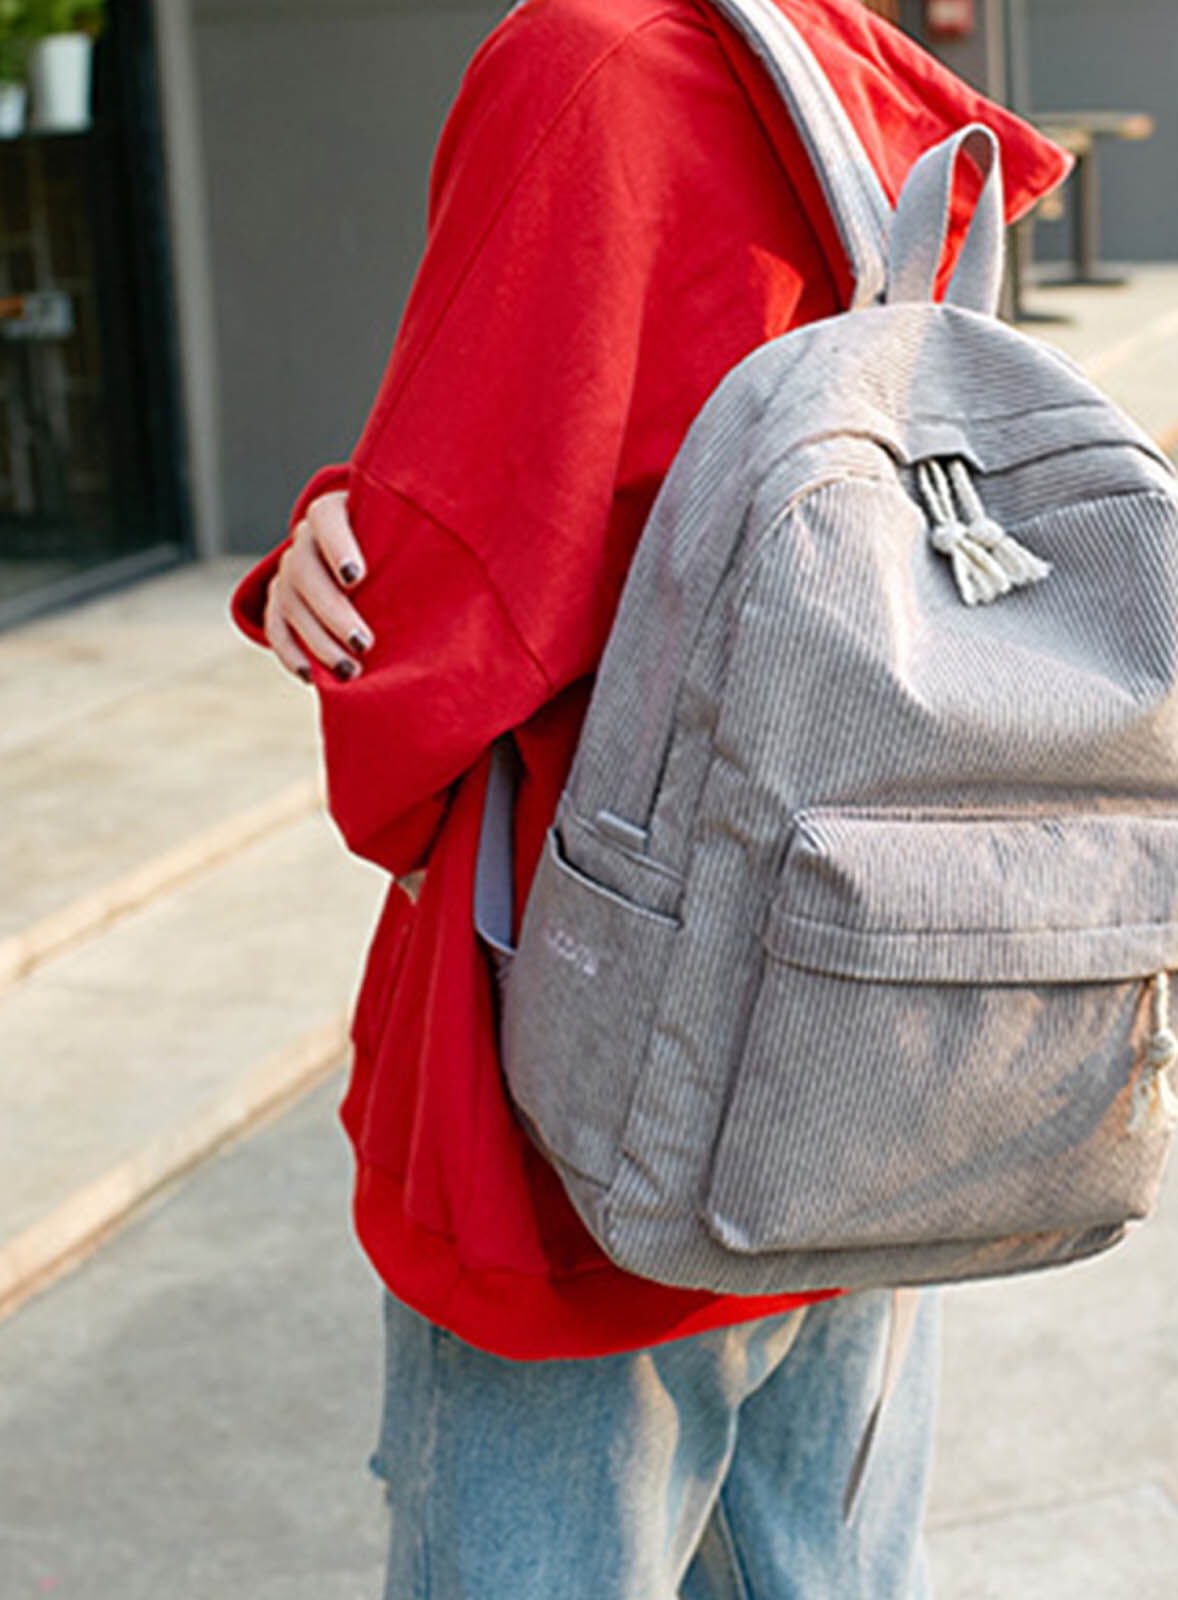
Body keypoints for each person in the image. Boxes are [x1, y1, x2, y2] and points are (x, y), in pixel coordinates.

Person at [232, 1, 1067, 1592]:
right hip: (866, 1039)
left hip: (606, 1082)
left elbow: (449, 621)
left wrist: (330, 567)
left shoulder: (587, 63)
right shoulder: (847, 71)